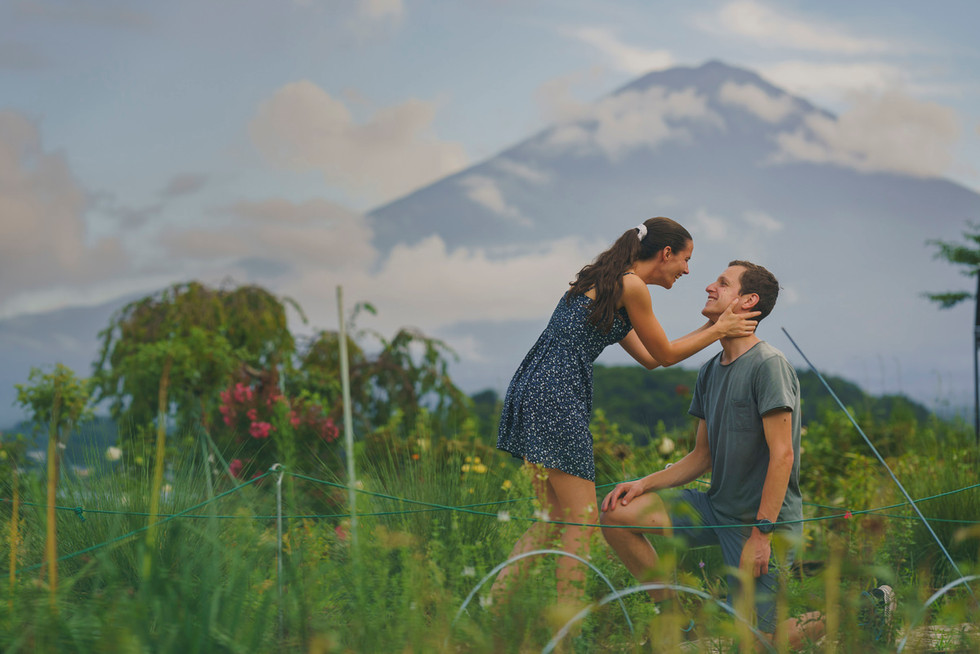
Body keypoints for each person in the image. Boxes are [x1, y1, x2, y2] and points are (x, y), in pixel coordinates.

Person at [492, 218, 759, 604]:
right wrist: (720, 329)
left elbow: (652, 357)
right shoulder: (631, 286)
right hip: (557, 399)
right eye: (686, 259)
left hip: (532, 391)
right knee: (583, 520)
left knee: (552, 518)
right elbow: (667, 355)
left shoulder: (606, 280)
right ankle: (567, 629)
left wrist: (711, 325)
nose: (688, 270)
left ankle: (495, 607)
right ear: (666, 254)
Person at [599, 260, 827, 647]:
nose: (709, 286)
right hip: (715, 510)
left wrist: (761, 535)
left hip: (764, 524)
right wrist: (640, 483)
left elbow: (783, 456)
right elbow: (700, 456)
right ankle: (677, 620)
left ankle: (863, 611)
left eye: (723, 283)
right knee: (616, 514)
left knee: (757, 643)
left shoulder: (768, 365)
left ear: (747, 300)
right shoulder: (709, 371)